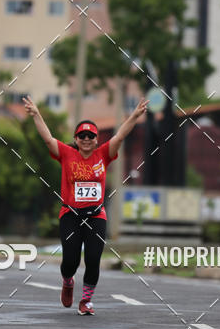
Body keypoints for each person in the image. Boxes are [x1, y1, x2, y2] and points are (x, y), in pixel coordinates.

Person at [23, 96, 148, 316]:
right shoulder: (66, 154)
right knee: (70, 260)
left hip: (96, 216)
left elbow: (120, 136)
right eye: (82, 135)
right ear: (76, 138)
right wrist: (36, 114)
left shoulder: (103, 155)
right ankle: (68, 281)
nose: (87, 139)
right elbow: (48, 139)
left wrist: (135, 116)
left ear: (97, 139)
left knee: (93, 259)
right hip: (70, 215)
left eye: (91, 136)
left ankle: (86, 301)